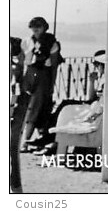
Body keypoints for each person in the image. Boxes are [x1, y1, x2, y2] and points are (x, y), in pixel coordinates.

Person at [21, 17, 61, 152]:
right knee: (28, 107)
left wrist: (51, 84)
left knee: (36, 108)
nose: (36, 29)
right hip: (30, 75)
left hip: (43, 76)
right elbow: (23, 61)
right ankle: (35, 140)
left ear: (44, 27)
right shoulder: (27, 42)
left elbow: (54, 67)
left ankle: (25, 142)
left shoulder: (52, 43)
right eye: (33, 26)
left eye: (39, 26)